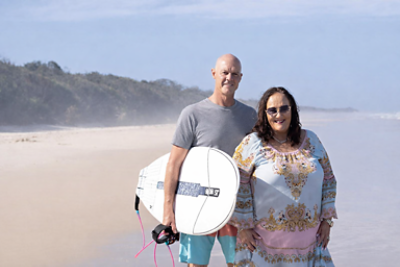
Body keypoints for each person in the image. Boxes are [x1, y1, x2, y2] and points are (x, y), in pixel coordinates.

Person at [162, 54, 257, 267]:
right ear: (214, 74)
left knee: (240, 264)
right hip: (198, 204)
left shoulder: (249, 116)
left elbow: (256, 165)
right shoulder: (192, 114)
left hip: (236, 206)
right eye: (224, 72)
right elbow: (174, 164)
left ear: (240, 78)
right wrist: (168, 209)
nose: (228, 78)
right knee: (196, 265)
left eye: (234, 74)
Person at [229, 87, 337, 267]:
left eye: (284, 108)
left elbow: (329, 179)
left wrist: (327, 220)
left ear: (292, 110)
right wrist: (244, 226)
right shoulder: (252, 143)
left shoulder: (312, 140)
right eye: (272, 110)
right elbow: (238, 182)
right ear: (265, 114)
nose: (279, 114)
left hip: (310, 243)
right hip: (263, 245)